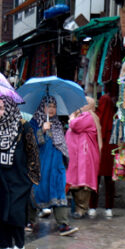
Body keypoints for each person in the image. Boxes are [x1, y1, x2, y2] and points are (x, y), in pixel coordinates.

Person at [0, 96, 40, 249]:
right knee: (0, 212)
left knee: (15, 212)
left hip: (18, 177)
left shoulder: (23, 126)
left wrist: (31, 175)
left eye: (1, 108)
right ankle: (7, 246)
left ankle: (19, 246)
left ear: (9, 110)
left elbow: (33, 151)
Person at [28, 95, 78, 235]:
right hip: (41, 164)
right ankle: (29, 221)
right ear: (42, 107)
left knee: (59, 191)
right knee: (36, 191)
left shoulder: (57, 124)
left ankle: (63, 225)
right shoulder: (34, 122)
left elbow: (62, 145)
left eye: (54, 106)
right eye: (48, 106)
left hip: (56, 165)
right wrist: (41, 131)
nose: (51, 109)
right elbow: (30, 143)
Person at [66, 97, 102, 219]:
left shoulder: (89, 116)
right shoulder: (83, 116)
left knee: (83, 183)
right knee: (75, 181)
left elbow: (75, 125)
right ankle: (78, 208)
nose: (80, 106)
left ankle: (81, 209)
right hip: (77, 156)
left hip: (85, 156)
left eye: (83, 104)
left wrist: (72, 117)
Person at [89, 84, 117, 218]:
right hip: (109, 151)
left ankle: (92, 207)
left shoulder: (96, 116)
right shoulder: (114, 119)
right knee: (109, 181)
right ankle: (108, 207)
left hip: (98, 150)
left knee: (95, 179)